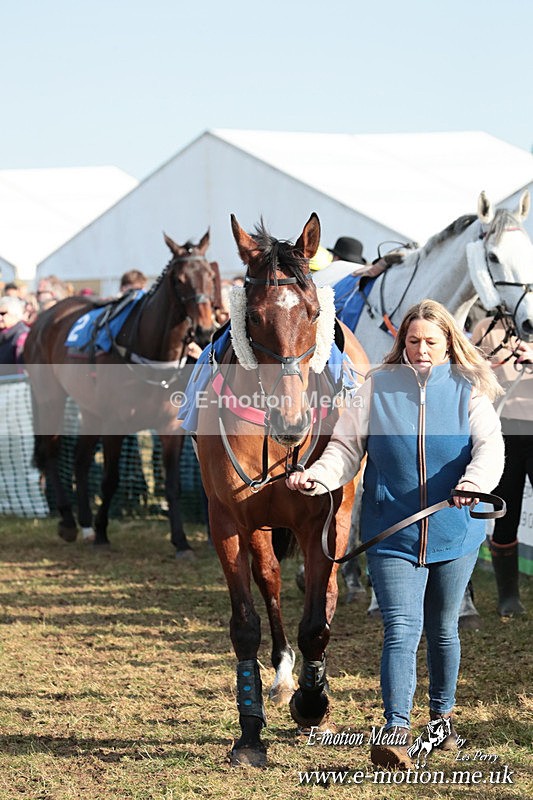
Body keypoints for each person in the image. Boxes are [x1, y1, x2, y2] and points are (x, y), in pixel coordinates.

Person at [286, 299, 505, 770]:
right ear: (401, 343)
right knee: (401, 628)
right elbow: (345, 448)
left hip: (455, 530)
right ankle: (396, 730)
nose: (421, 349)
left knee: (444, 628)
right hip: (391, 532)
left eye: (430, 341)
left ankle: (441, 720)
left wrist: (474, 483)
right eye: (412, 341)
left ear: (448, 342)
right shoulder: (375, 387)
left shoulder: (468, 389)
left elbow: (490, 448)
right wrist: (318, 477)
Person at [471, 316, 533, 617]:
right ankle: (508, 596)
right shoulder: (487, 327)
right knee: (506, 514)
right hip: (505, 430)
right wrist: (486, 369)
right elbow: (471, 377)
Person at [0, 295, 31, 371]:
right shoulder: (3, 334)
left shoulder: (22, 337)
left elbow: (23, 371)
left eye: (3, 314)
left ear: (15, 314)